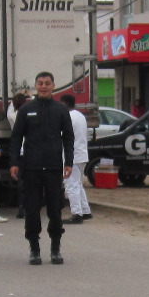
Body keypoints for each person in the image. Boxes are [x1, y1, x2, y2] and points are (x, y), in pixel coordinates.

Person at [9, 72, 74, 265]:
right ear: (35, 86)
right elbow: (16, 138)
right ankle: (34, 249)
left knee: (55, 210)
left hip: (54, 168)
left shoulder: (60, 110)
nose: (44, 86)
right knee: (32, 210)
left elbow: (68, 137)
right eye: (40, 83)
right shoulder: (26, 109)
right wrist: (14, 162)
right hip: (31, 168)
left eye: (47, 83)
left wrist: (68, 162)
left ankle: (55, 249)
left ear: (54, 86)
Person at [59, 94, 92, 224]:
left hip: (72, 155)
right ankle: (85, 211)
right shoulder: (80, 116)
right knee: (78, 184)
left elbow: (61, 135)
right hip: (82, 154)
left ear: (64, 104)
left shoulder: (67, 117)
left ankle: (77, 214)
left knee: (71, 185)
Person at [7, 89, 31, 221]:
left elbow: (10, 108)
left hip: (20, 151)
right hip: (31, 150)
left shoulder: (12, 115)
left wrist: (15, 96)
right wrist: (32, 97)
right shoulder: (28, 113)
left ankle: (22, 207)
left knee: (21, 182)